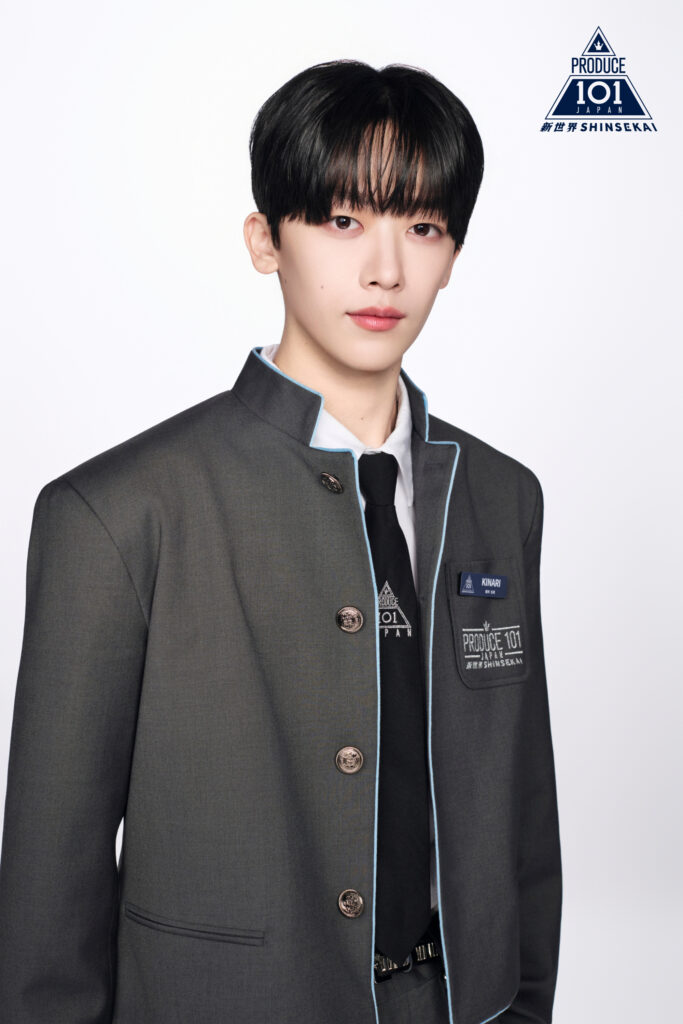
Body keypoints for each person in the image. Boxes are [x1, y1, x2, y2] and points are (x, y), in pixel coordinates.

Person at [0, 59, 562, 1024]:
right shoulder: (118, 510)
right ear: (265, 240)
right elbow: (51, 884)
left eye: (422, 227)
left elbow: (522, 809)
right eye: (342, 221)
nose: (384, 269)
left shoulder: (501, 496)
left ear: (453, 252)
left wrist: (520, 1007)